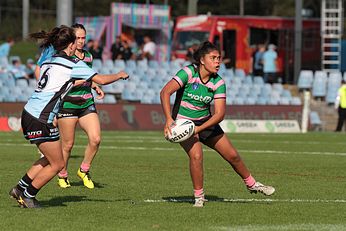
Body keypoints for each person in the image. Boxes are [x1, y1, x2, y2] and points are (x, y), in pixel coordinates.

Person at [9, 25, 129, 208]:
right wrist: (120, 74)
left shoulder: (51, 60)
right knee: (57, 164)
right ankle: (28, 196)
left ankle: (20, 188)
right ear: (71, 44)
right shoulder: (73, 64)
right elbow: (103, 80)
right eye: (76, 41)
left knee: (51, 158)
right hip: (40, 117)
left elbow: (58, 82)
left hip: (30, 113)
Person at [160, 41, 275, 208]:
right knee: (197, 156)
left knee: (233, 156)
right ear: (201, 60)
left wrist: (198, 129)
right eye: (213, 58)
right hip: (183, 122)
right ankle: (199, 197)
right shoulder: (188, 72)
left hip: (205, 122)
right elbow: (165, 92)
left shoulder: (218, 82)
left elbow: (220, 114)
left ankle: (252, 184)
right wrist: (169, 120)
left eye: (219, 58)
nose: (217, 62)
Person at [56, 23, 104, 189]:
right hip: (68, 104)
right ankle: (62, 174)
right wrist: (88, 80)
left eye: (84, 38)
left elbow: (87, 77)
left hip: (86, 103)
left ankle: (84, 170)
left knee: (96, 139)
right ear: (71, 39)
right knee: (68, 145)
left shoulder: (89, 57)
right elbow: (65, 82)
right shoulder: (64, 58)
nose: (81, 41)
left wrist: (94, 85)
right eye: (78, 38)